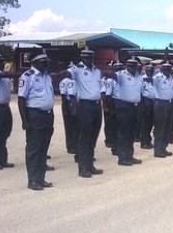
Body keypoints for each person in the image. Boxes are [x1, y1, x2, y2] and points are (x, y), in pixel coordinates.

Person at [17, 52, 55, 191]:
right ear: (34, 63)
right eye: (43, 62)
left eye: (46, 62)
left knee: (43, 148)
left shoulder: (47, 76)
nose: (46, 64)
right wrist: (24, 120)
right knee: (34, 148)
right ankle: (33, 180)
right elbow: (21, 99)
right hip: (34, 115)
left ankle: (41, 179)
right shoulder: (28, 77)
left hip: (48, 115)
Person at [67, 47, 104, 178]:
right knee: (85, 137)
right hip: (84, 105)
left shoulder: (97, 70)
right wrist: (73, 103)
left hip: (96, 105)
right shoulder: (76, 69)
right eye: (86, 57)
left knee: (93, 136)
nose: (88, 59)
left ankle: (90, 165)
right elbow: (66, 76)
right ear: (82, 57)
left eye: (90, 57)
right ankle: (83, 167)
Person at [113, 57, 143, 166]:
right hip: (124, 106)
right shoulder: (121, 75)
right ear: (126, 66)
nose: (132, 68)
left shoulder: (139, 77)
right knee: (123, 133)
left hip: (135, 107)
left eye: (134, 66)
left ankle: (129, 155)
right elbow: (111, 75)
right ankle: (122, 157)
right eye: (130, 66)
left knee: (131, 133)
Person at [152, 63, 173, 158]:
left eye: (169, 70)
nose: (167, 71)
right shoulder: (157, 78)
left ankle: (163, 148)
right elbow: (150, 80)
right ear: (162, 70)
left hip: (169, 103)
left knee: (168, 127)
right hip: (160, 103)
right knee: (160, 127)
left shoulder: (170, 78)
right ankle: (157, 149)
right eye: (165, 70)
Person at [59, 71, 78, 155]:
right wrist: (73, 109)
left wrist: (65, 108)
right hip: (71, 104)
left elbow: (63, 95)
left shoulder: (62, 81)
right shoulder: (71, 82)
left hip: (65, 104)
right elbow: (71, 95)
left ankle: (70, 146)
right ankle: (73, 146)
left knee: (68, 127)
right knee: (74, 126)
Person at [140, 63, 156, 149]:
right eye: (148, 70)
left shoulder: (154, 79)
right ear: (145, 70)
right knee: (145, 124)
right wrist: (142, 105)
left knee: (151, 123)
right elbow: (140, 92)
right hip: (145, 101)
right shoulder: (142, 79)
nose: (150, 72)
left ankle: (148, 140)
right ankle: (144, 142)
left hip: (154, 102)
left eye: (151, 70)